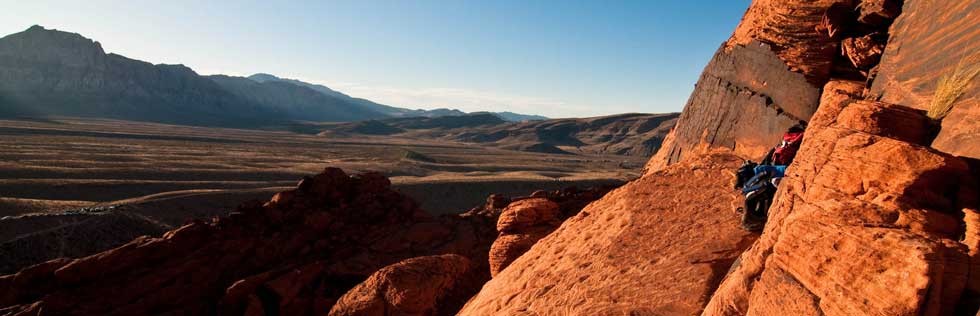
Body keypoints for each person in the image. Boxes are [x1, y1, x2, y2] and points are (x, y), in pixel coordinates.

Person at [735, 122, 806, 231]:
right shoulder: (786, 146)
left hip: (778, 175)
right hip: (775, 172)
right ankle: (753, 216)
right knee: (757, 185)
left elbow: (788, 167)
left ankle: (754, 217)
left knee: (761, 187)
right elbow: (769, 162)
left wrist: (771, 170)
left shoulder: (788, 146)